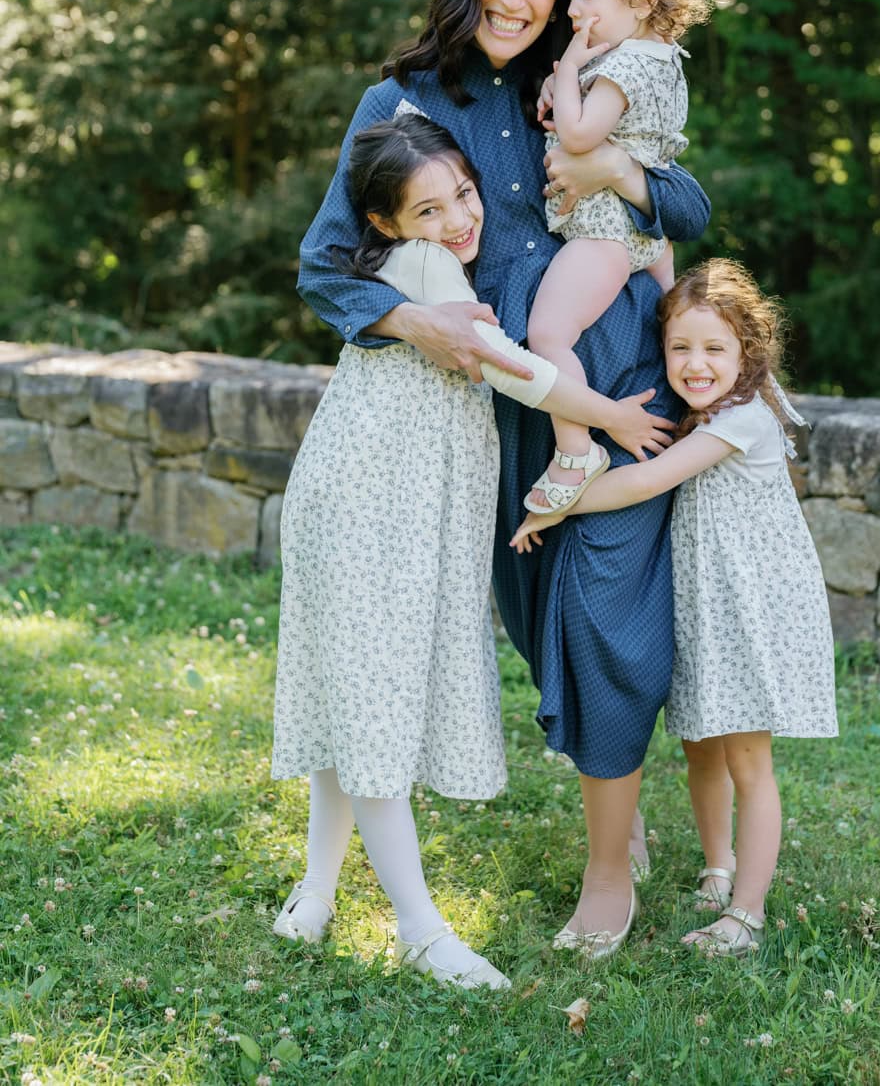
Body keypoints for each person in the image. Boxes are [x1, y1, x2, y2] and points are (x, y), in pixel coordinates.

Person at [295, 0, 711, 959]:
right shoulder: (400, 101)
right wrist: (413, 322)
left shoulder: (580, 78)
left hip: (605, 379)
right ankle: (608, 788)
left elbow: (690, 206)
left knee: (597, 619)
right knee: (532, 622)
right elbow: (323, 265)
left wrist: (616, 167)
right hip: (483, 404)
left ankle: (611, 861)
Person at [272, 113, 670, 990]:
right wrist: (612, 417)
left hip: (391, 504)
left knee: (355, 695)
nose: (459, 218)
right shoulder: (423, 274)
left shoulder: (434, 260)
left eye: (463, 194)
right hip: (365, 506)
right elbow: (514, 367)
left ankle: (318, 889)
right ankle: (420, 928)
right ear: (384, 225)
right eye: (428, 211)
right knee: (369, 700)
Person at [511, 258, 838, 956]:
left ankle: (744, 916)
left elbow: (643, 483)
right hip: (707, 605)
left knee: (748, 761)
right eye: (679, 347)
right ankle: (718, 869)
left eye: (715, 348)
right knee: (701, 747)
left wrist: (550, 507)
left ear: (748, 351)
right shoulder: (706, 405)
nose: (694, 364)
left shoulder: (743, 417)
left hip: (748, 609)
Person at [524, 0, 723, 518]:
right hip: (645, 237)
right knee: (674, 321)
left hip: (605, 231)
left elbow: (582, 138)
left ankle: (575, 449)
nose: (574, 12)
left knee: (549, 334)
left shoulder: (624, 63)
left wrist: (571, 74)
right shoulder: (658, 57)